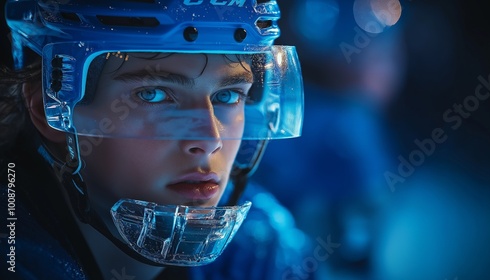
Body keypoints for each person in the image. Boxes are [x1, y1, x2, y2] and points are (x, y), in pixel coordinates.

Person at [0, 0, 311, 279]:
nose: (209, 139)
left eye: (227, 96)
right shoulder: (16, 256)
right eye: (154, 94)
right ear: (50, 109)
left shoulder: (258, 250)